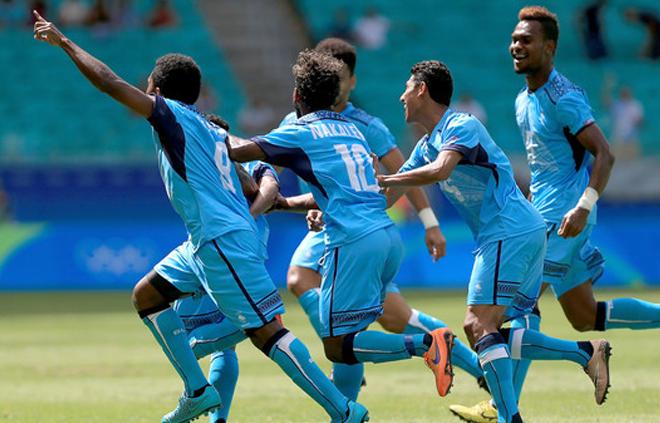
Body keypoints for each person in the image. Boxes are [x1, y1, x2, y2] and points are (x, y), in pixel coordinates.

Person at [32, 13, 369, 423]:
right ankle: (197, 391)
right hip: (205, 241)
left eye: (149, 87)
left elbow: (108, 83)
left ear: (156, 89)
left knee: (268, 334)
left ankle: (343, 410)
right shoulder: (210, 130)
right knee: (148, 295)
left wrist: (66, 43)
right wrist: (292, 203)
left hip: (222, 240)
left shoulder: (171, 116)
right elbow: (252, 183)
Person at [449, 7, 660, 422]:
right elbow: (547, 166)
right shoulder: (522, 100)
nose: (516, 46)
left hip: (564, 218)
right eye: (514, 39)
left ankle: (499, 405)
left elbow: (605, 153)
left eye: (526, 40)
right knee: (586, 316)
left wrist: (584, 206)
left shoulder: (563, 97)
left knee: (516, 309)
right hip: (542, 216)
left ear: (550, 47)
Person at [378, 60, 614, 423]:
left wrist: (390, 180)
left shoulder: (461, 125)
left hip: (509, 230)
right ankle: (586, 353)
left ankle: (509, 417)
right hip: (520, 231)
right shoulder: (428, 144)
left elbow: (439, 171)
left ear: (422, 89)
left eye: (407, 87)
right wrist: (335, 209)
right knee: (500, 330)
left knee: (477, 324)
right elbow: (394, 192)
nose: (401, 96)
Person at [226, 49, 456, 406]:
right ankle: (348, 409)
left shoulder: (299, 131)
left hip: (352, 242)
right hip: (384, 236)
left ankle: (427, 343)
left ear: (296, 96)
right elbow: (347, 191)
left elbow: (240, 151)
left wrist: (199, 130)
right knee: (350, 335)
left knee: (338, 345)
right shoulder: (351, 129)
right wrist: (286, 204)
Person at [280, 38, 485, 401]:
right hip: (340, 227)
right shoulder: (297, 118)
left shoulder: (366, 125)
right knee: (393, 317)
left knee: (301, 277)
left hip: (354, 229)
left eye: (338, 76)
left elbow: (405, 171)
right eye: (325, 74)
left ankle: (347, 358)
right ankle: (472, 367)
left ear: (352, 81)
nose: (331, 82)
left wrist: (429, 220)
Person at [168, 114, 280, 423]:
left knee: (188, 338)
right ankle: (218, 417)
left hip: (215, 253)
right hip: (241, 253)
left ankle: (196, 379)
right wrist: (252, 216)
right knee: (229, 346)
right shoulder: (253, 165)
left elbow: (270, 189)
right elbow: (271, 190)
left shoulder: (205, 167)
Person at [603, 79, 643, 160]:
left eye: (627, 92)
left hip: (631, 138)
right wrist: (607, 86)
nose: (625, 94)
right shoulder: (617, 105)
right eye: (623, 92)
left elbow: (640, 121)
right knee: (616, 161)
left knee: (633, 161)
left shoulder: (635, 105)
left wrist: (639, 123)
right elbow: (606, 101)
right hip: (618, 138)